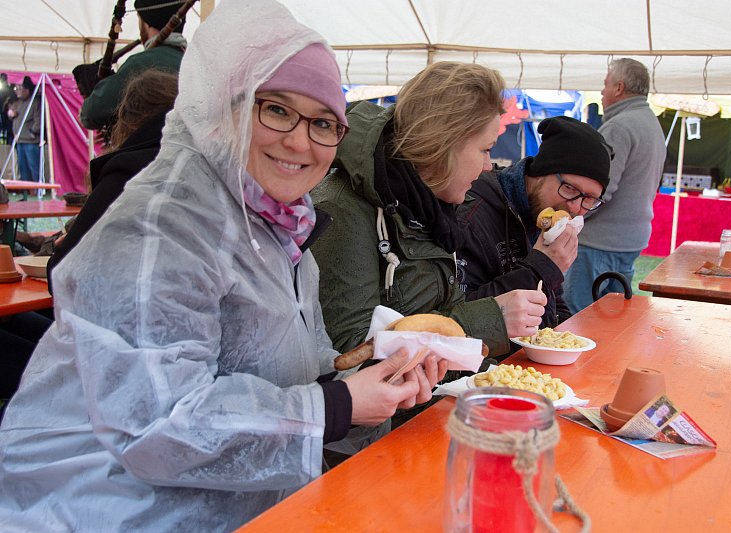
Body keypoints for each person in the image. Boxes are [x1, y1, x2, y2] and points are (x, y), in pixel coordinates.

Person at [0, 1, 445, 530]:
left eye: (324, 123)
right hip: (95, 512)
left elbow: (293, 373)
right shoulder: (160, 228)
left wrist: (371, 380)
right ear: (226, 110)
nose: (300, 140)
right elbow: (155, 426)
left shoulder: (282, 230)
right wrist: (338, 405)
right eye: (276, 109)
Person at [311, 62, 547, 361]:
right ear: (442, 145)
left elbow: (439, 312)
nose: (489, 166)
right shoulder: (344, 210)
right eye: (485, 149)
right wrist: (490, 319)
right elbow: (349, 355)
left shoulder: (433, 206)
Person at [456, 116, 612, 327]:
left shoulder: (542, 215)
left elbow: (552, 301)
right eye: (569, 189)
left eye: (590, 199)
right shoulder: (471, 211)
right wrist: (543, 266)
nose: (575, 208)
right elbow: (461, 315)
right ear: (539, 173)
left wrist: (567, 334)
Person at [47, 69, 179, 290]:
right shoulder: (202, 170)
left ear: (127, 120)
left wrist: (67, 246)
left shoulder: (129, 172)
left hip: (135, 308)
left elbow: (61, 274)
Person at [562, 58, 666, 313]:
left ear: (619, 88)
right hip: (629, 239)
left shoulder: (619, 126)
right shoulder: (651, 123)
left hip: (600, 242)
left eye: (606, 84)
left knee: (577, 316)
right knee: (611, 318)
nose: (602, 91)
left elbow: (600, 190)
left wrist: (569, 219)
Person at [78, 0, 186, 131]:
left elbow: (90, 115)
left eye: (140, 19)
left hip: (151, 144)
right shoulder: (195, 63)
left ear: (146, 23)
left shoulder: (139, 64)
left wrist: (99, 90)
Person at [7, 76, 41, 183]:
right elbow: (11, 114)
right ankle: (26, 189)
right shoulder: (18, 102)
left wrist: (32, 132)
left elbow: (39, 121)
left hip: (31, 141)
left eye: (19, 88)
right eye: (15, 88)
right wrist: (10, 114)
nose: (16, 91)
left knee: (34, 168)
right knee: (23, 169)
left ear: (27, 90)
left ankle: (38, 189)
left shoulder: (35, 102)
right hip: (20, 141)